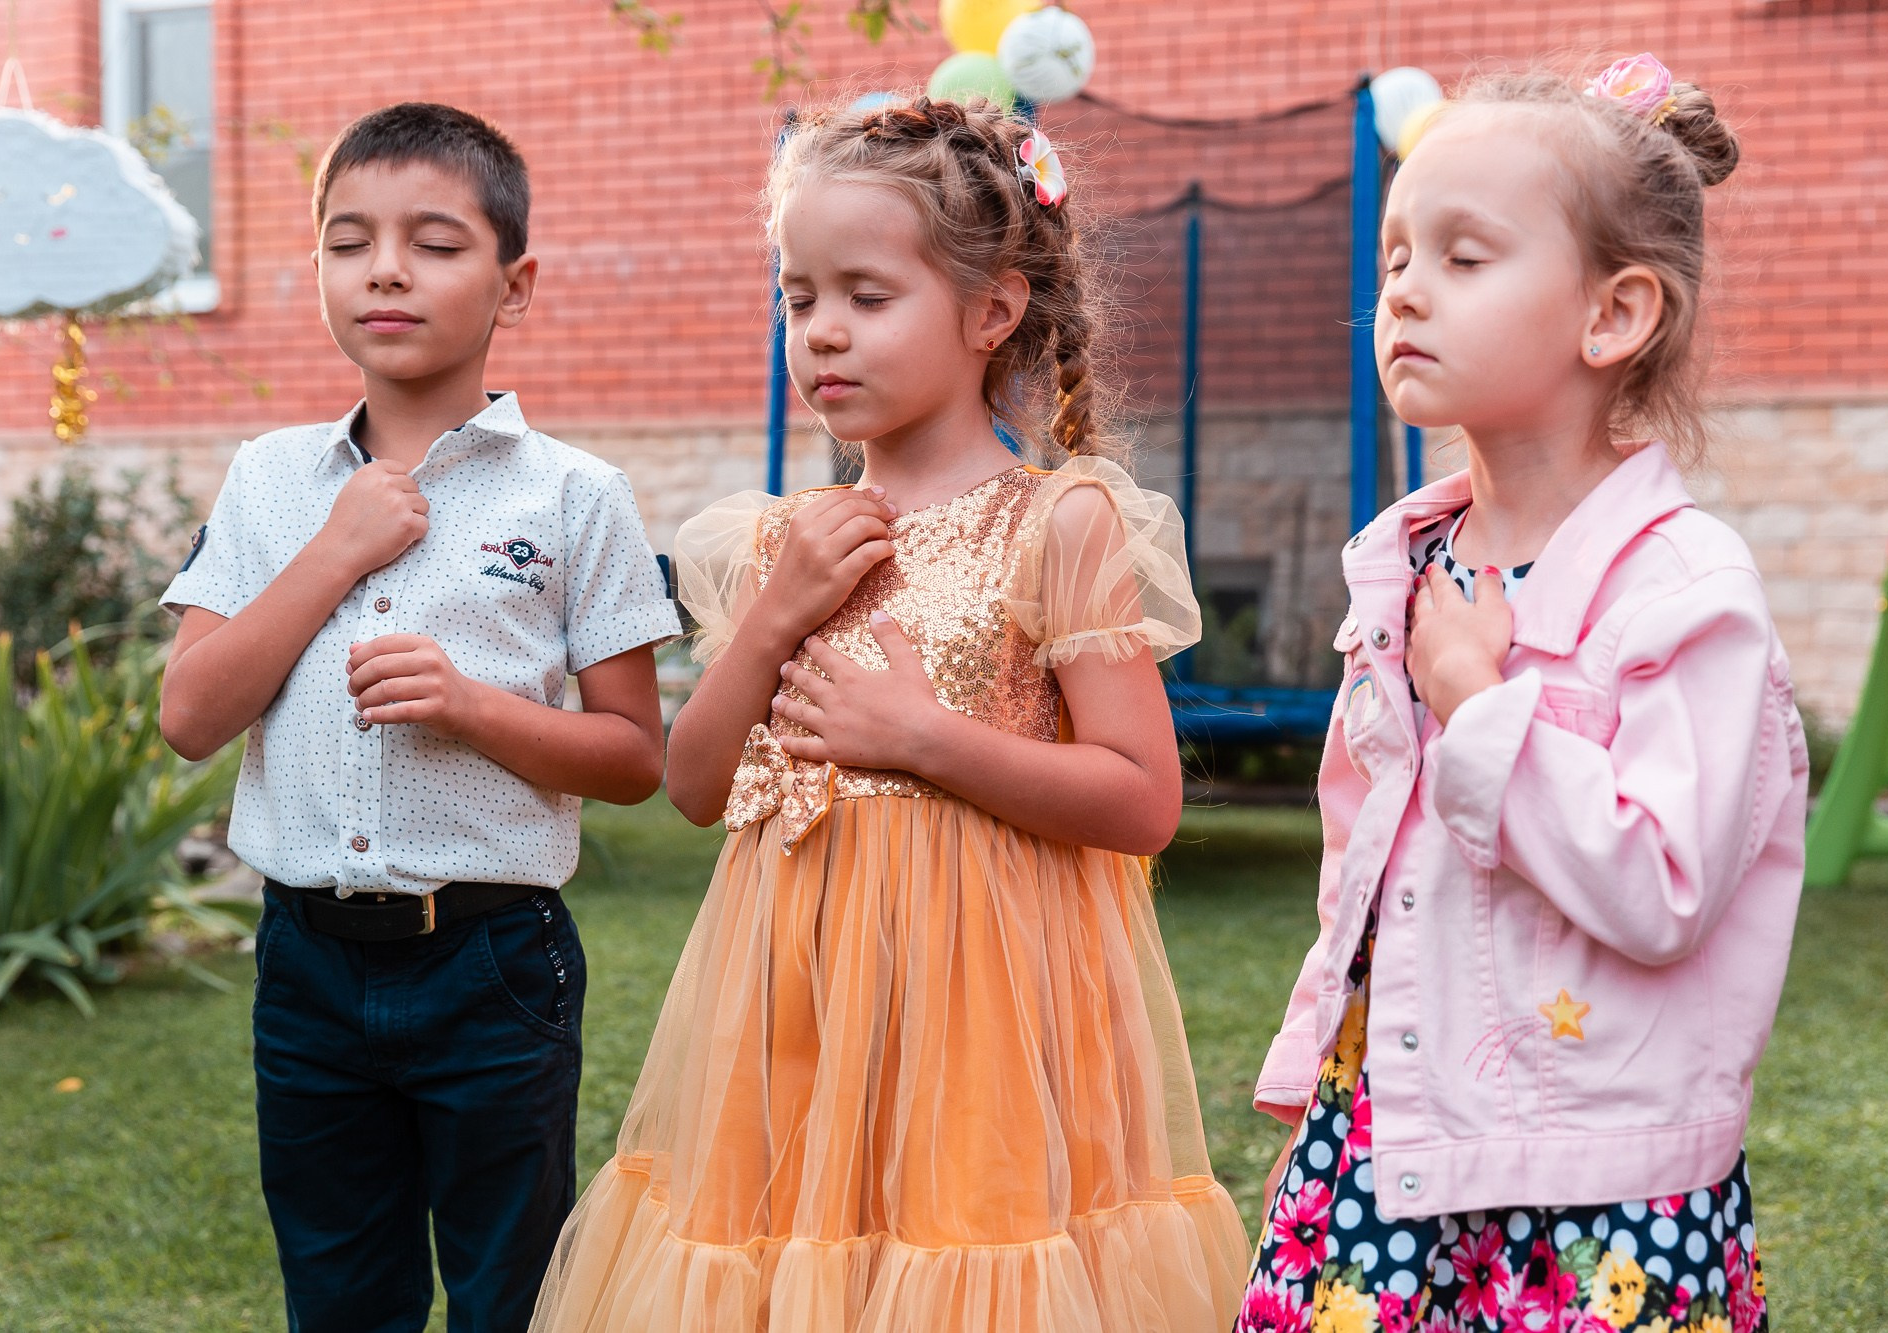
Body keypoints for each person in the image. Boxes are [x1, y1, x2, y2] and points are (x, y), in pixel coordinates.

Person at [531, 96, 1249, 1333]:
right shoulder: (774, 541)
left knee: (961, 1263)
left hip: (985, 1004)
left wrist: (923, 739)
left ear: (989, 312)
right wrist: (772, 616)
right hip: (791, 997)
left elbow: (1142, 799)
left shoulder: (1060, 522)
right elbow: (693, 784)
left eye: (867, 296)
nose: (822, 335)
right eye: (798, 297)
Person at [1237, 57, 1804, 1333]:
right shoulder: (1407, 563)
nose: (1402, 292)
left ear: (1611, 316)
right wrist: (1323, 1096)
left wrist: (1480, 703)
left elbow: (1659, 887)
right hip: (1388, 1137)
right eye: (1393, 259)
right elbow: (1365, 866)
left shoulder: (1683, 590)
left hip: (1589, 1188)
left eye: (1462, 257)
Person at [158, 102, 682, 1333]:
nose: (386, 267)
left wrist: (470, 708)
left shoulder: (573, 494)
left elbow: (632, 758)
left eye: (436, 242)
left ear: (516, 281)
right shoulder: (269, 479)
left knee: (510, 1292)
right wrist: (333, 557)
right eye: (350, 241)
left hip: (493, 965)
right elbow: (190, 714)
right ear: (321, 271)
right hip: (304, 966)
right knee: (339, 1292)